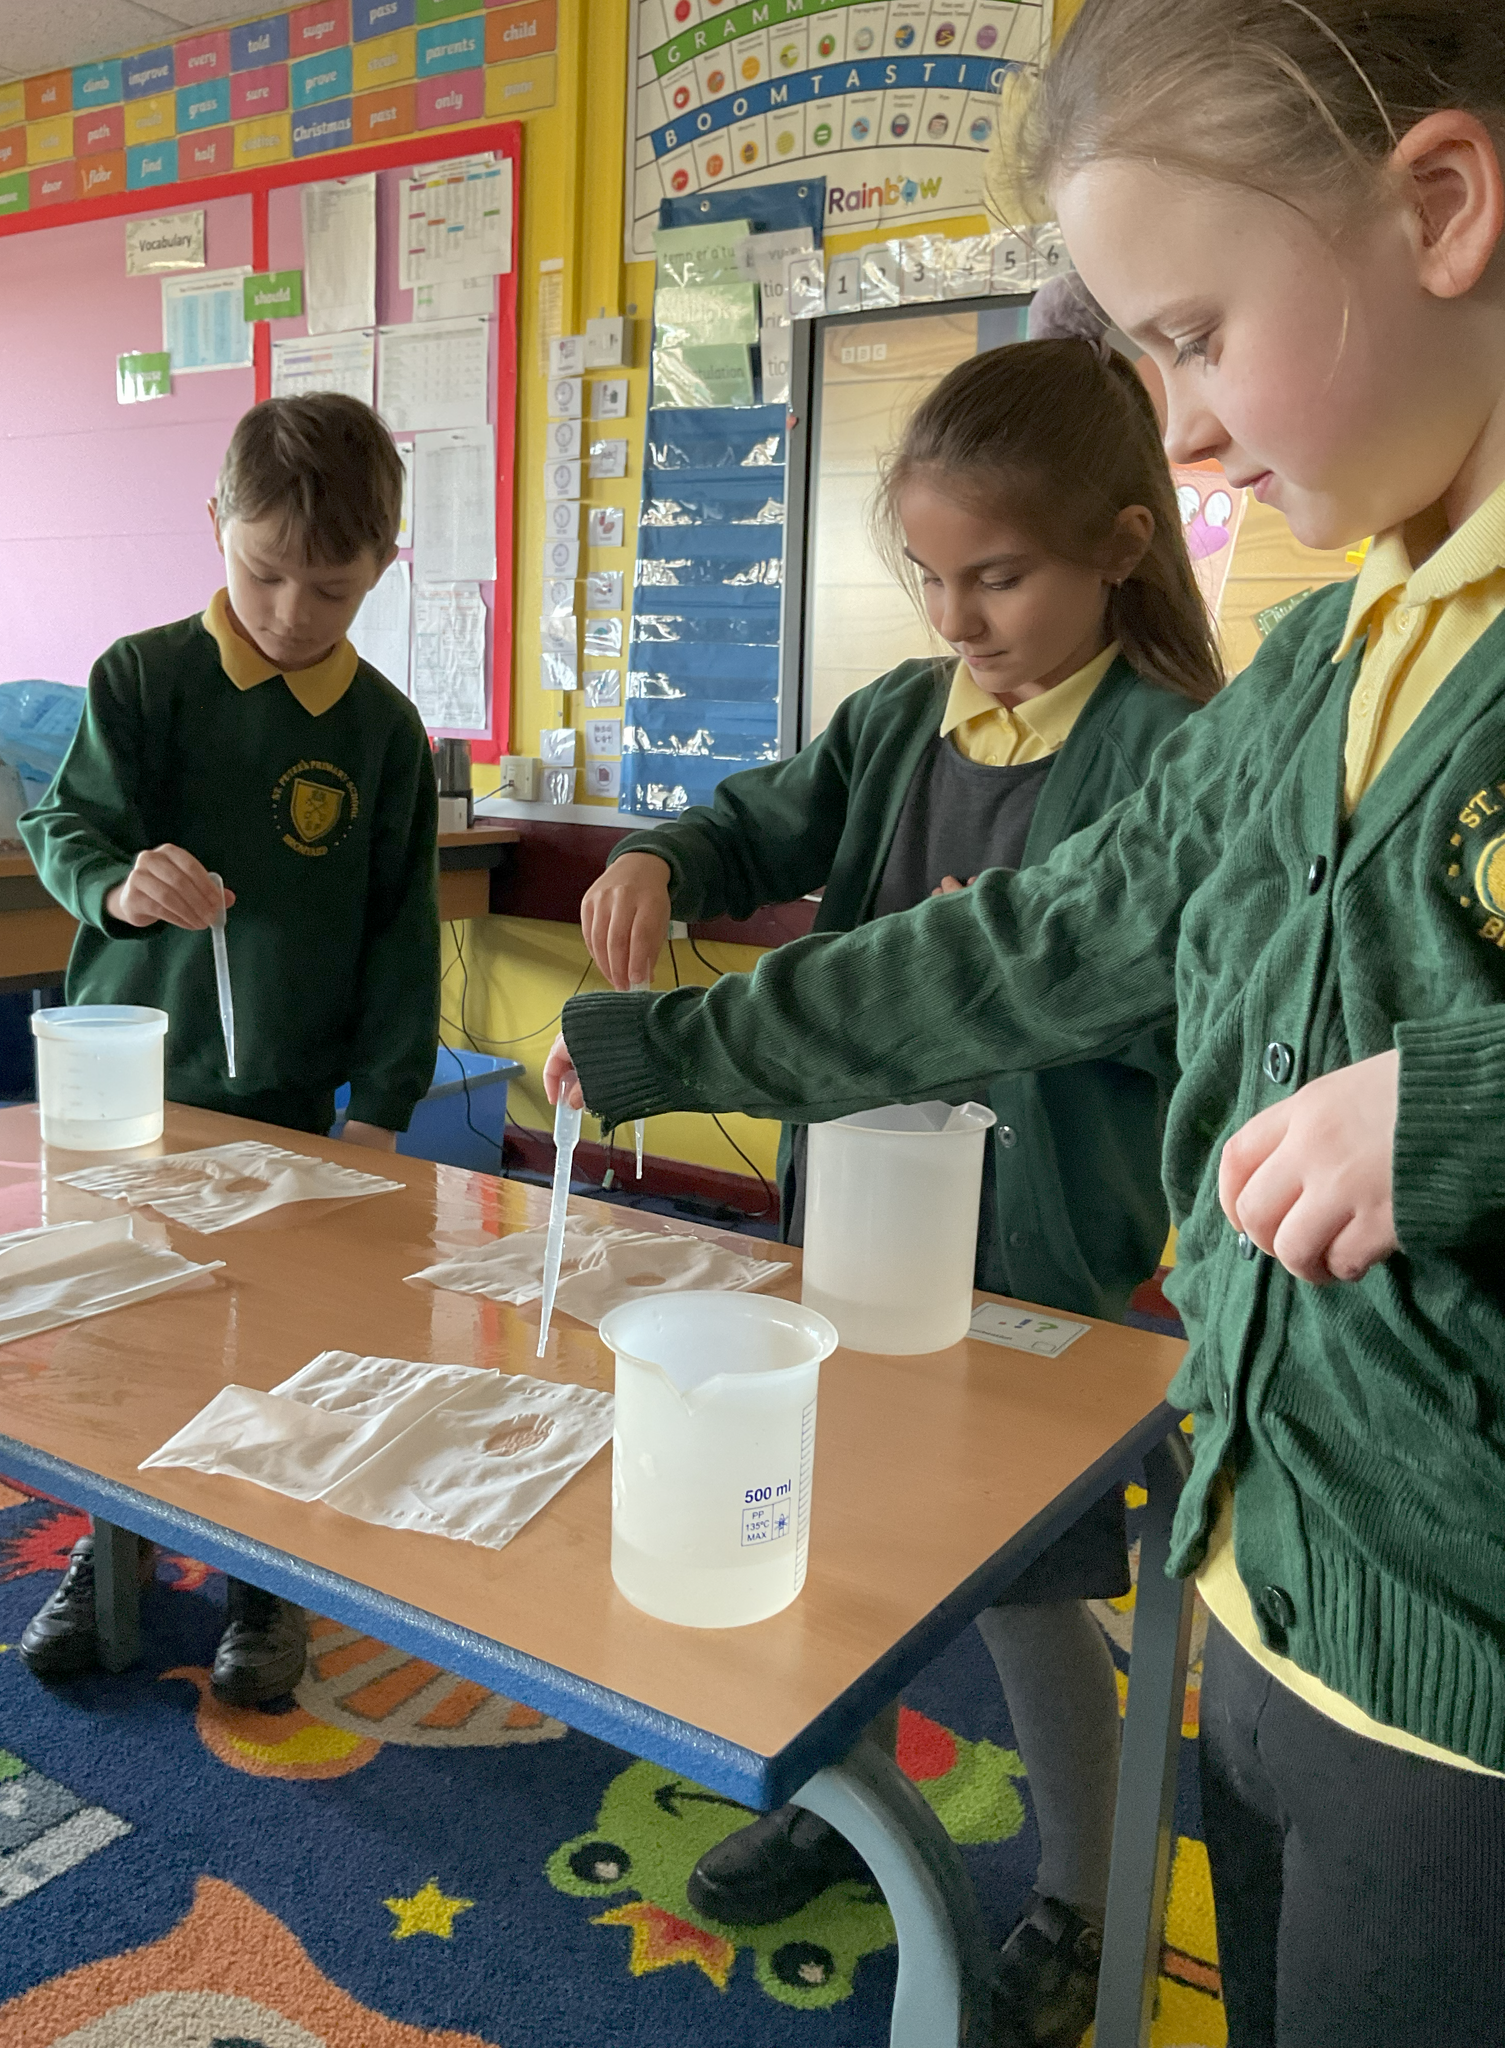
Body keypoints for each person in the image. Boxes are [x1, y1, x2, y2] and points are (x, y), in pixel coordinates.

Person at [549, 3, 1505, 2040]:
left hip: (1464, 1682)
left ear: (1441, 208)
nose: (1187, 434)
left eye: (1198, 337)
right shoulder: (1319, 675)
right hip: (1268, 1585)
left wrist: (1462, 1102)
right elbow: (1017, 949)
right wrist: (663, 1053)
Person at [581, 318, 1220, 2046]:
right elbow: (750, 823)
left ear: (1122, 547)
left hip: (1040, 1262)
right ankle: (837, 1798)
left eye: (997, 579)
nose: (957, 621)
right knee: (835, 1531)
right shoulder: (896, 720)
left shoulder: (1170, 754)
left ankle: (1085, 1895)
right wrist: (659, 853)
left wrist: (991, 980)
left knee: (1026, 1593)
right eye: (931, 579)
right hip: (849, 1240)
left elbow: (1162, 1008)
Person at [18, 393, 440, 1706]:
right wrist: (119, 882)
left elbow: (401, 930)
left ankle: (266, 1581)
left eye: (332, 590)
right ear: (216, 525)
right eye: (263, 573)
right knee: (118, 1331)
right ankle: (112, 1551)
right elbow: (65, 827)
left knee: (282, 1344)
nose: (291, 613)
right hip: (132, 1096)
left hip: (286, 1107)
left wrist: (382, 1108)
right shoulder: (142, 679)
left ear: (385, 564)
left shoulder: (382, 732)